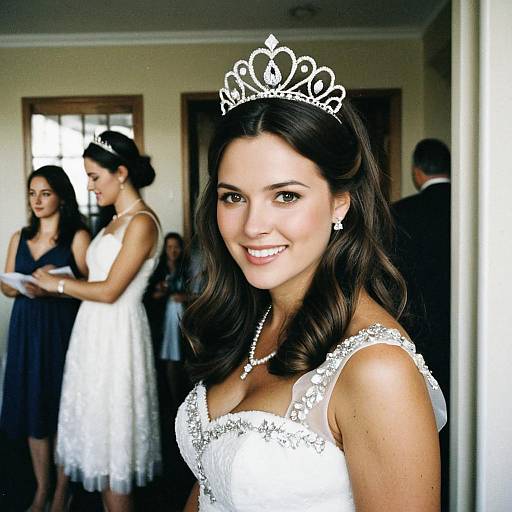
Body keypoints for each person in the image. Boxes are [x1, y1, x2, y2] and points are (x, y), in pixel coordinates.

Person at [175, 35, 447, 511]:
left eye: (286, 195)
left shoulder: (377, 369)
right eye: (233, 196)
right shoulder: (254, 317)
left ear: (339, 200)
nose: (253, 226)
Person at [33, 131, 162, 512]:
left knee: (113, 455)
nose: (89, 186)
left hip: (116, 335)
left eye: (94, 177)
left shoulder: (142, 222)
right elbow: (94, 280)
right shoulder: (113, 222)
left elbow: (109, 291)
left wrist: (57, 284)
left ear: (121, 172)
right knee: (100, 450)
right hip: (92, 333)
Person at [0, 165, 90, 512]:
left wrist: (55, 285)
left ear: (61, 196)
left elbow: (91, 291)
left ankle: (61, 492)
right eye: (32, 193)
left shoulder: (77, 237)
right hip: (25, 325)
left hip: (59, 328)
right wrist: (21, 284)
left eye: (45, 193)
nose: (37, 200)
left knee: (58, 407)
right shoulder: (19, 236)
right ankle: (42, 487)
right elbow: (7, 285)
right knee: (31, 405)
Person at [391, 138, 451, 510]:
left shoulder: (400, 213)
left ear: (417, 171)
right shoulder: (472, 206)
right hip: (466, 330)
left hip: (415, 328)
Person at [145, 232, 189, 413]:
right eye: (169, 247)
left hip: (184, 319)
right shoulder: (158, 269)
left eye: (176, 247)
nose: (173, 251)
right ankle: (171, 400)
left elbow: (198, 293)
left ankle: (183, 397)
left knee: (184, 357)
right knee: (167, 358)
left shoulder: (185, 268)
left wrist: (184, 297)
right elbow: (147, 296)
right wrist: (160, 293)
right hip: (162, 321)